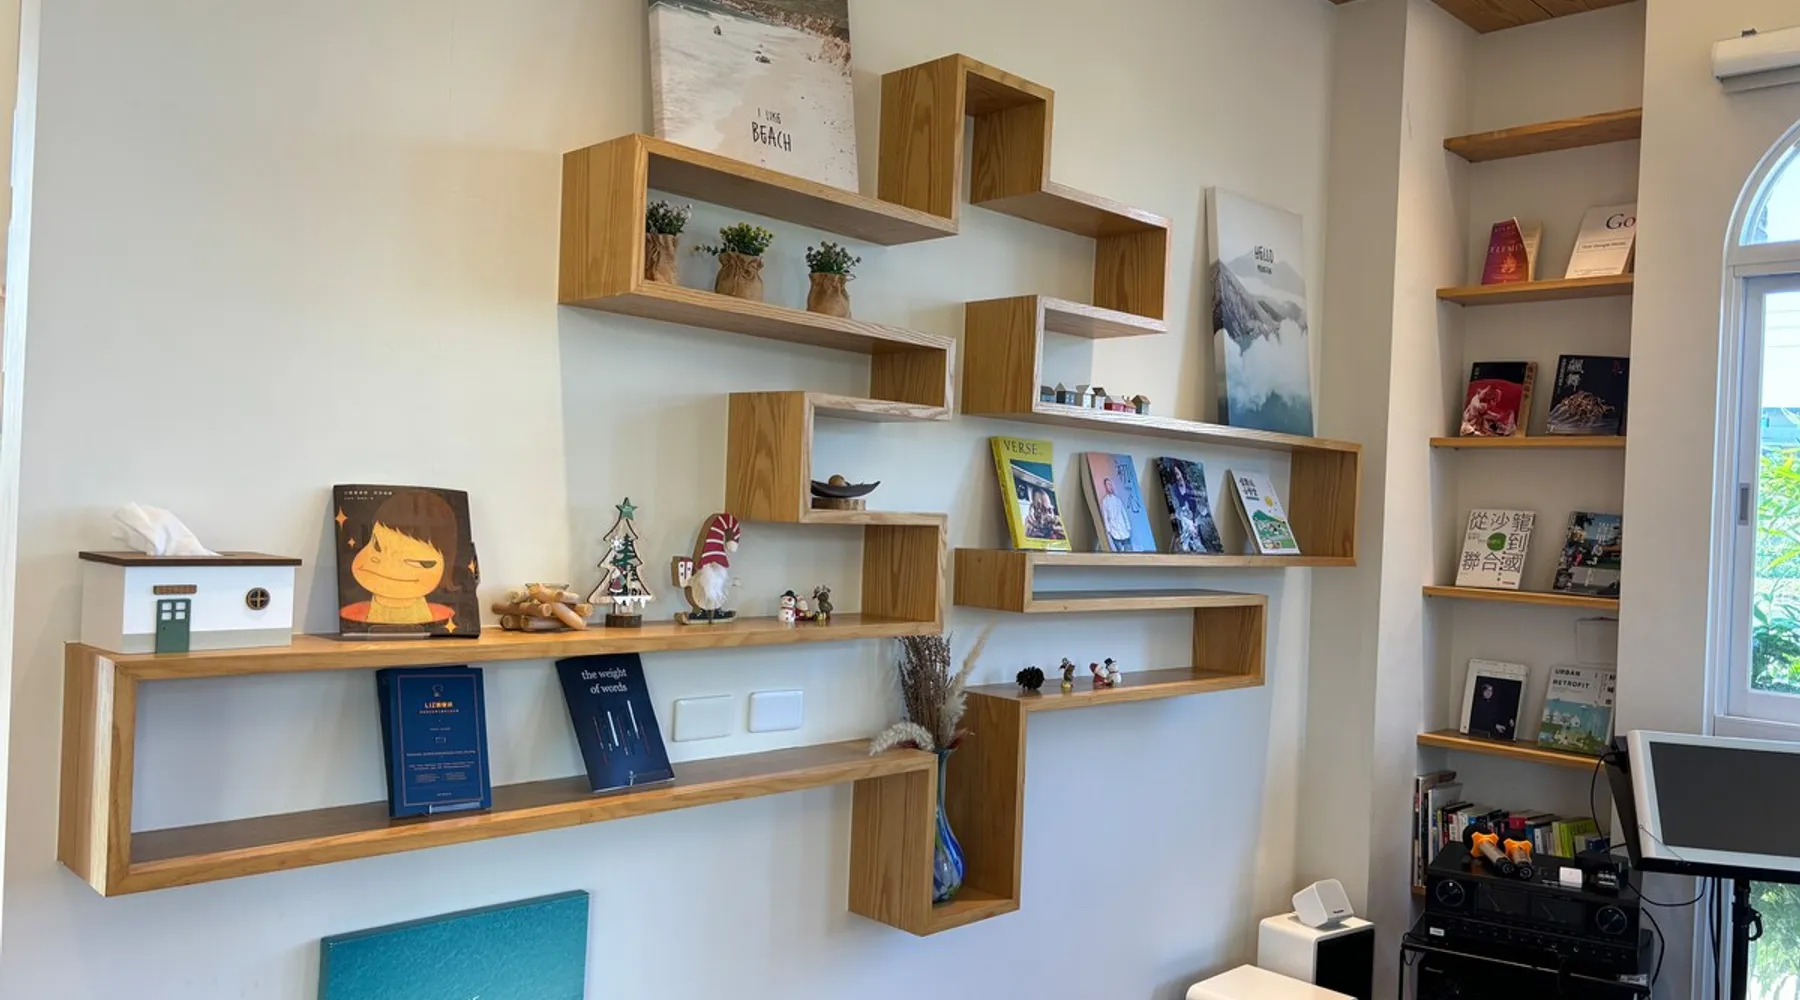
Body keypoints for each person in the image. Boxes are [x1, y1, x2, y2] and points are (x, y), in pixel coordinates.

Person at [1100, 477, 1132, 550]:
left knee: (1129, 550)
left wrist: (1128, 526)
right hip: (1114, 531)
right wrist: (1109, 530)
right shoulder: (1105, 501)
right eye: (1108, 484)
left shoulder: (1118, 500)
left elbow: (1124, 513)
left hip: (1123, 529)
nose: (1110, 486)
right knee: (1119, 551)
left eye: (1110, 484)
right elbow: (1105, 517)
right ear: (1105, 487)